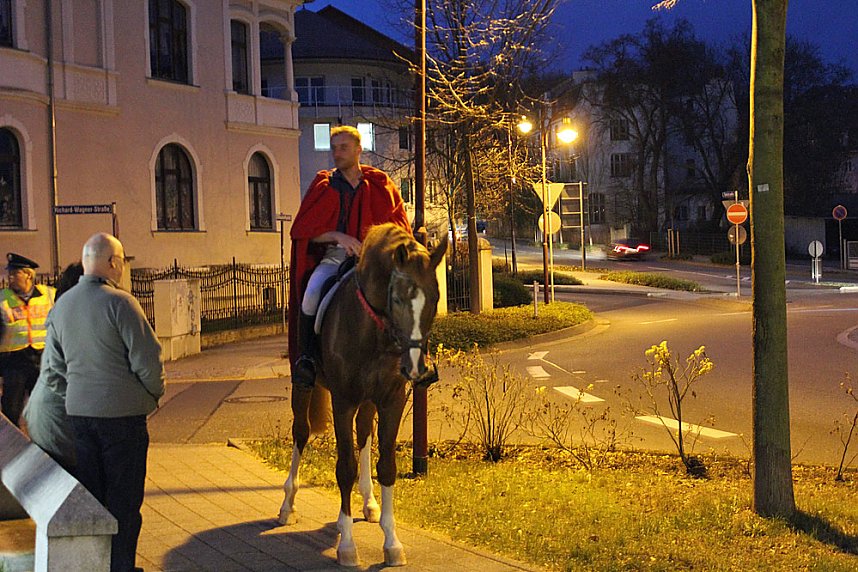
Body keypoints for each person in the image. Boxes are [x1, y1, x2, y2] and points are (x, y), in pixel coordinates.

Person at [45, 234, 164, 572]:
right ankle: (121, 566)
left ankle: (96, 565)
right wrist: (152, 395)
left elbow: (55, 367)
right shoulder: (121, 303)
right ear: (113, 262)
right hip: (122, 417)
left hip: (80, 416)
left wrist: (78, 392)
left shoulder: (62, 307)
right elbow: (148, 360)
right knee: (124, 501)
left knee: (94, 499)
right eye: (122, 262)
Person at [289, 125, 411, 387]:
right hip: (334, 260)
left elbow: (398, 227)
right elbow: (304, 232)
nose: (337, 153)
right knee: (310, 295)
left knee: (404, 295)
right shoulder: (323, 185)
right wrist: (337, 236)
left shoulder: (380, 184)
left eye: (343, 147)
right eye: (334, 148)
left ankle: (414, 355)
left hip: (374, 264)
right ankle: (307, 359)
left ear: (358, 149)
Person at [22, 262, 84, 471]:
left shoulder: (61, 313)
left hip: (45, 416)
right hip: (59, 420)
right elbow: (64, 375)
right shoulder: (74, 321)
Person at [0, 252, 56, 426]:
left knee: (44, 409)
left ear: (28, 275)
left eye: (14, 273)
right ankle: (11, 449)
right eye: (9, 272)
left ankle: (43, 446)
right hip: (14, 362)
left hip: (42, 359)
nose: (9, 276)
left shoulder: (49, 295)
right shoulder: (2, 298)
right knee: (11, 410)